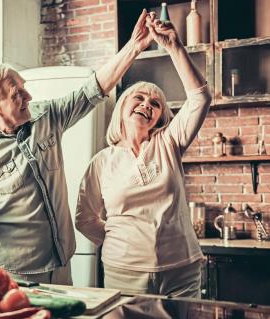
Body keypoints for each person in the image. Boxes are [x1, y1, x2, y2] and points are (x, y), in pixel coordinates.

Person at [0, 10, 155, 284]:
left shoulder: (44, 116)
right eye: (17, 93)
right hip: (15, 275)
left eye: (24, 88)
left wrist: (134, 47)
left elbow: (92, 89)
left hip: (62, 262)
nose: (29, 96)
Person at [75, 17, 212, 297]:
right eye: (139, 97)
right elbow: (85, 219)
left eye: (155, 103)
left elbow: (199, 98)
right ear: (123, 106)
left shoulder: (169, 142)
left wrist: (174, 46)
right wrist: (121, 241)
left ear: (160, 116)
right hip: (122, 272)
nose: (146, 104)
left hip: (181, 271)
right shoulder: (102, 161)